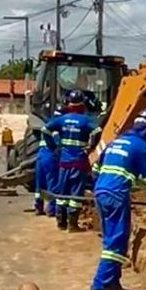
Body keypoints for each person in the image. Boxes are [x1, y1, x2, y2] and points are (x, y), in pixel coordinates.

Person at [88, 107, 146, 290]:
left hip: (101, 191)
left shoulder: (116, 141)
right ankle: (98, 287)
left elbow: (96, 169)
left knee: (110, 239)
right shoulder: (141, 147)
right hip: (116, 195)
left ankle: (113, 284)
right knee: (116, 242)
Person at [45, 89, 101, 231]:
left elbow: (45, 130)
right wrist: (90, 147)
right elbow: (97, 131)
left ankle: (61, 222)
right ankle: (72, 224)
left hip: (64, 161)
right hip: (79, 161)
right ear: (83, 104)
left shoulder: (62, 119)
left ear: (68, 103)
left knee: (62, 191)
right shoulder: (86, 120)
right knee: (75, 193)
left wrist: (53, 147)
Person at [34, 123, 59, 217]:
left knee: (40, 183)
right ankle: (51, 210)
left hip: (41, 156)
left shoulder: (48, 125)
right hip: (50, 156)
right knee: (52, 183)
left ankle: (38, 207)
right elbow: (58, 142)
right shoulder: (57, 128)